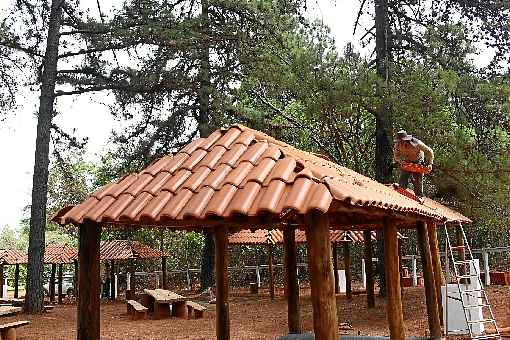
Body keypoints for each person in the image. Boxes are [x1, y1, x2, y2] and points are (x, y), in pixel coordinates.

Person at [393, 130, 434, 200]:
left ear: (406, 139)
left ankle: (419, 196)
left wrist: (430, 163)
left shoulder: (416, 143)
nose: (401, 142)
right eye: (399, 141)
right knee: (404, 174)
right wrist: (401, 161)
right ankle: (401, 189)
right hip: (407, 160)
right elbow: (396, 156)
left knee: (417, 177)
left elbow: (429, 151)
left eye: (402, 140)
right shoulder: (397, 145)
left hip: (418, 160)